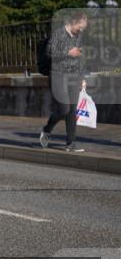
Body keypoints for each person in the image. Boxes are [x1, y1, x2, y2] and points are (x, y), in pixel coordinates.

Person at [40, 11, 89, 153]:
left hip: (74, 76)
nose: (81, 30)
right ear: (74, 22)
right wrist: (68, 52)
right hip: (58, 75)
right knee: (64, 109)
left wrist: (82, 77)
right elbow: (49, 52)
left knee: (72, 110)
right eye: (80, 27)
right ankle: (47, 129)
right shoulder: (59, 33)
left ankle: (71, 144)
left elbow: (79, 57)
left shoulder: (78, 36)